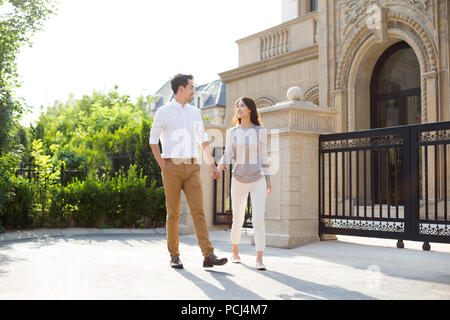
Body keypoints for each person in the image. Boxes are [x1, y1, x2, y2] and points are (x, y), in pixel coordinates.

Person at [149, 74, 227, 269]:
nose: (194, 91)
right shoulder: (163, 112)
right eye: (191, 87)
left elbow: (203, 140)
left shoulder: (195, 112)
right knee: (173, 214)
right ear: (181, 89)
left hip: (192, 166)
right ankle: (174, 255)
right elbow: (153, 140)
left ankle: (208, 255)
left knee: (198, 211)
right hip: (171, 167)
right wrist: (163, 165)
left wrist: (212, 166)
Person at [216, 97, 272, 270]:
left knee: (258, 219)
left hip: (258, 179)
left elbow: (264, 157)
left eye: (242, 106)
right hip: (238, 179)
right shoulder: (232, 132)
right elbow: (227, 155)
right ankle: (235, 252)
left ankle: (260, 258)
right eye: (237, 106)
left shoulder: (260, 131)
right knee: (238, 217)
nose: (239, 109)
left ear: (250, 110)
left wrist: (268, 180)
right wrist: (219, 165)